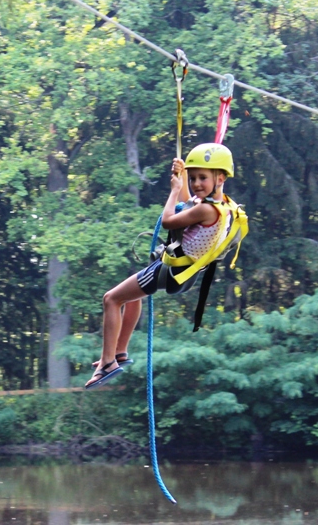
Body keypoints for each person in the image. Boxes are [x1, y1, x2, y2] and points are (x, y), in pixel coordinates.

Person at [86, 143, 235, 389]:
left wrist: (174, 190)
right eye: (194, 177)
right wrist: (184, 175)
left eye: (202, 178)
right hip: (183, 274)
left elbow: (168, 220)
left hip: (169, 271)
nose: (197, 183)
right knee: (132, 297)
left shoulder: (208, 209)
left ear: (220, 177)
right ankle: (119, 351)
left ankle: (107, 362)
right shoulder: (222, 205)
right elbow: (190, 205)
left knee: (111, 299)